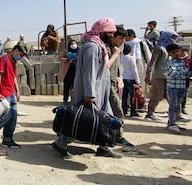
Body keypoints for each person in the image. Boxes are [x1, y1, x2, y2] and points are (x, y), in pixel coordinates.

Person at [52, 18, 123, 158]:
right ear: (102, 32)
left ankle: (104, 147)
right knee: (81, 118)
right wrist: (90, 94)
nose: (111, 36)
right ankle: (62, 142)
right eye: (109, 33)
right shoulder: (92, 46)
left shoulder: (98, 46)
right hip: (91, 91)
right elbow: (89, 71)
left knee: (104, 118)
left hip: (100, 90)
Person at [0, 43, 28, 148]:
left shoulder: (13, 62)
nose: (20, 57)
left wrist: (17, 91)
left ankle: (7, 139)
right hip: (3, 93)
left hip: (11, 92)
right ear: (15, 50)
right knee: (6, 116)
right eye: (20, 55)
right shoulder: (3, 60)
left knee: (13, 117)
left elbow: (14, 77)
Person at [103, 25, 134, 147]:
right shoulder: (109, 49)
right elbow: (106, 66)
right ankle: (119, 136)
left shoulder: (115, 49)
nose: (123, 42)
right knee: (118, 112)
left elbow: (117, 67)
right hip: (106, 84)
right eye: (121, 38)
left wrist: (118, 77)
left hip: (111, 83)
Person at [144, 31, 178, 121]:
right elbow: (152, 62)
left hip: (167, 76)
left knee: (170, 95)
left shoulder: (168, 48)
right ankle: (150, 114)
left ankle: (177, 114)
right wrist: (148, 74)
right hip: (159, 76)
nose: (174, 40)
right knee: (157, 95)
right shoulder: (159, 48)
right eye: (172, 37)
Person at [165, 44, 192, 134]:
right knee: (173, 106)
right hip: (173, 88)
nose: (176, 54)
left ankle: (172, 123)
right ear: (170, 54)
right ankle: (172, 125)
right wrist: (185, 74)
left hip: (181, 87)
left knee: (177, 106)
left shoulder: (182, 62)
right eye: (173, 52)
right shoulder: (170, 63)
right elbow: (173, 74)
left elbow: (186, 72)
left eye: (177, 51)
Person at [121, 44, 140, 117]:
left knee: (124, 96)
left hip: (123, 78)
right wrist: (137, 80)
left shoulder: (121, 58)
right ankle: (133, 111)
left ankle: (124, 110)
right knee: (133, 96)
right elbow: (134, 70)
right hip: (131, 78)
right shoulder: (131, 58)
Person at [59, 40, 78, 104]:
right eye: (72, 43)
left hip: (76, 71)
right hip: (67, 71)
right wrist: (67, 59)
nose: (73, 45)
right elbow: (59, 58)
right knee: (66, 86)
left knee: (75, 86)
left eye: (74, 43)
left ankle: (74, 99)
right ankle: (65, 99)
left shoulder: (79, 50)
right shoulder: (66, 51)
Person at [179, 47, 192, 115]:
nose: (181, 53)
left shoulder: (189, 60)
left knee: (184, 94)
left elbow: (191, 70)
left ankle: (183, 107)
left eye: (182, 52)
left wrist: (191, 77)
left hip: (186, 80)